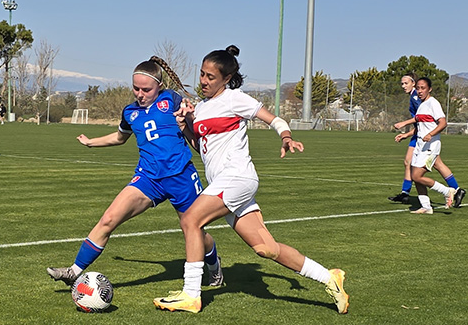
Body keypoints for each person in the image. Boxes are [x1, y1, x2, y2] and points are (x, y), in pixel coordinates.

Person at [153, 45, 349, 314]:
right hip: (224, 182)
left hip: (237, 178)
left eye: (211, 77)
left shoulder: (235, 99)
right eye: (202, 74)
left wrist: (286, 137)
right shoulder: (201, 108)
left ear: (226, 79)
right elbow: (202, 150)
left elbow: (273, 118)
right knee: (266, 249)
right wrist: (186, 126)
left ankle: (191, 294)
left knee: (190, 219)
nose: (203, 81)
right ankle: (330, 277)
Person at [46, 56, 224, 288]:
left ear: (159, 86)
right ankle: (74, 271)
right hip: (148, 178)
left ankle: (214, 267)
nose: (140, 94)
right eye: (136, 88)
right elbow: (120, 137)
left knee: (195, 231)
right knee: (109, 219)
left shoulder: (171, 99)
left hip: (181, 177)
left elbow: (195, 120)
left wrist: (189, 113)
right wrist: (92, 143)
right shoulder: (130, 112)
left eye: (146, 89)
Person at [390, 73, 465, 207]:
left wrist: (407, 126)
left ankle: (409, 193)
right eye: (401, 83)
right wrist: (406, 133)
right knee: (435, 164)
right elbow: (420, 119)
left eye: (406, 83)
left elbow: (433, 120)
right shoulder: (420, 100)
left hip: (426, 139)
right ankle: (450, 194)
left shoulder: (420, 99)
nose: (403, 86)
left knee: (413, 168)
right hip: (421, 137)